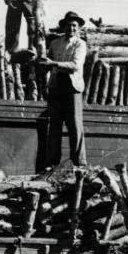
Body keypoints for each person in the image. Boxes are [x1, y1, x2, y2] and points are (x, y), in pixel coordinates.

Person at [39, 11, 88, 169]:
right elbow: (46, 63)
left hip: (72, 87)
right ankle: (52, 164)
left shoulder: (80, 44)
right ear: (63, 27)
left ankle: (79, 164)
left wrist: (52, 64)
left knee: (75, 126)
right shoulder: (55, 43)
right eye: (68, 25)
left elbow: (75, 66)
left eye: (74, 25)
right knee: (54, 127)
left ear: (78, 28)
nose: (71, 28)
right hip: (56, 86)